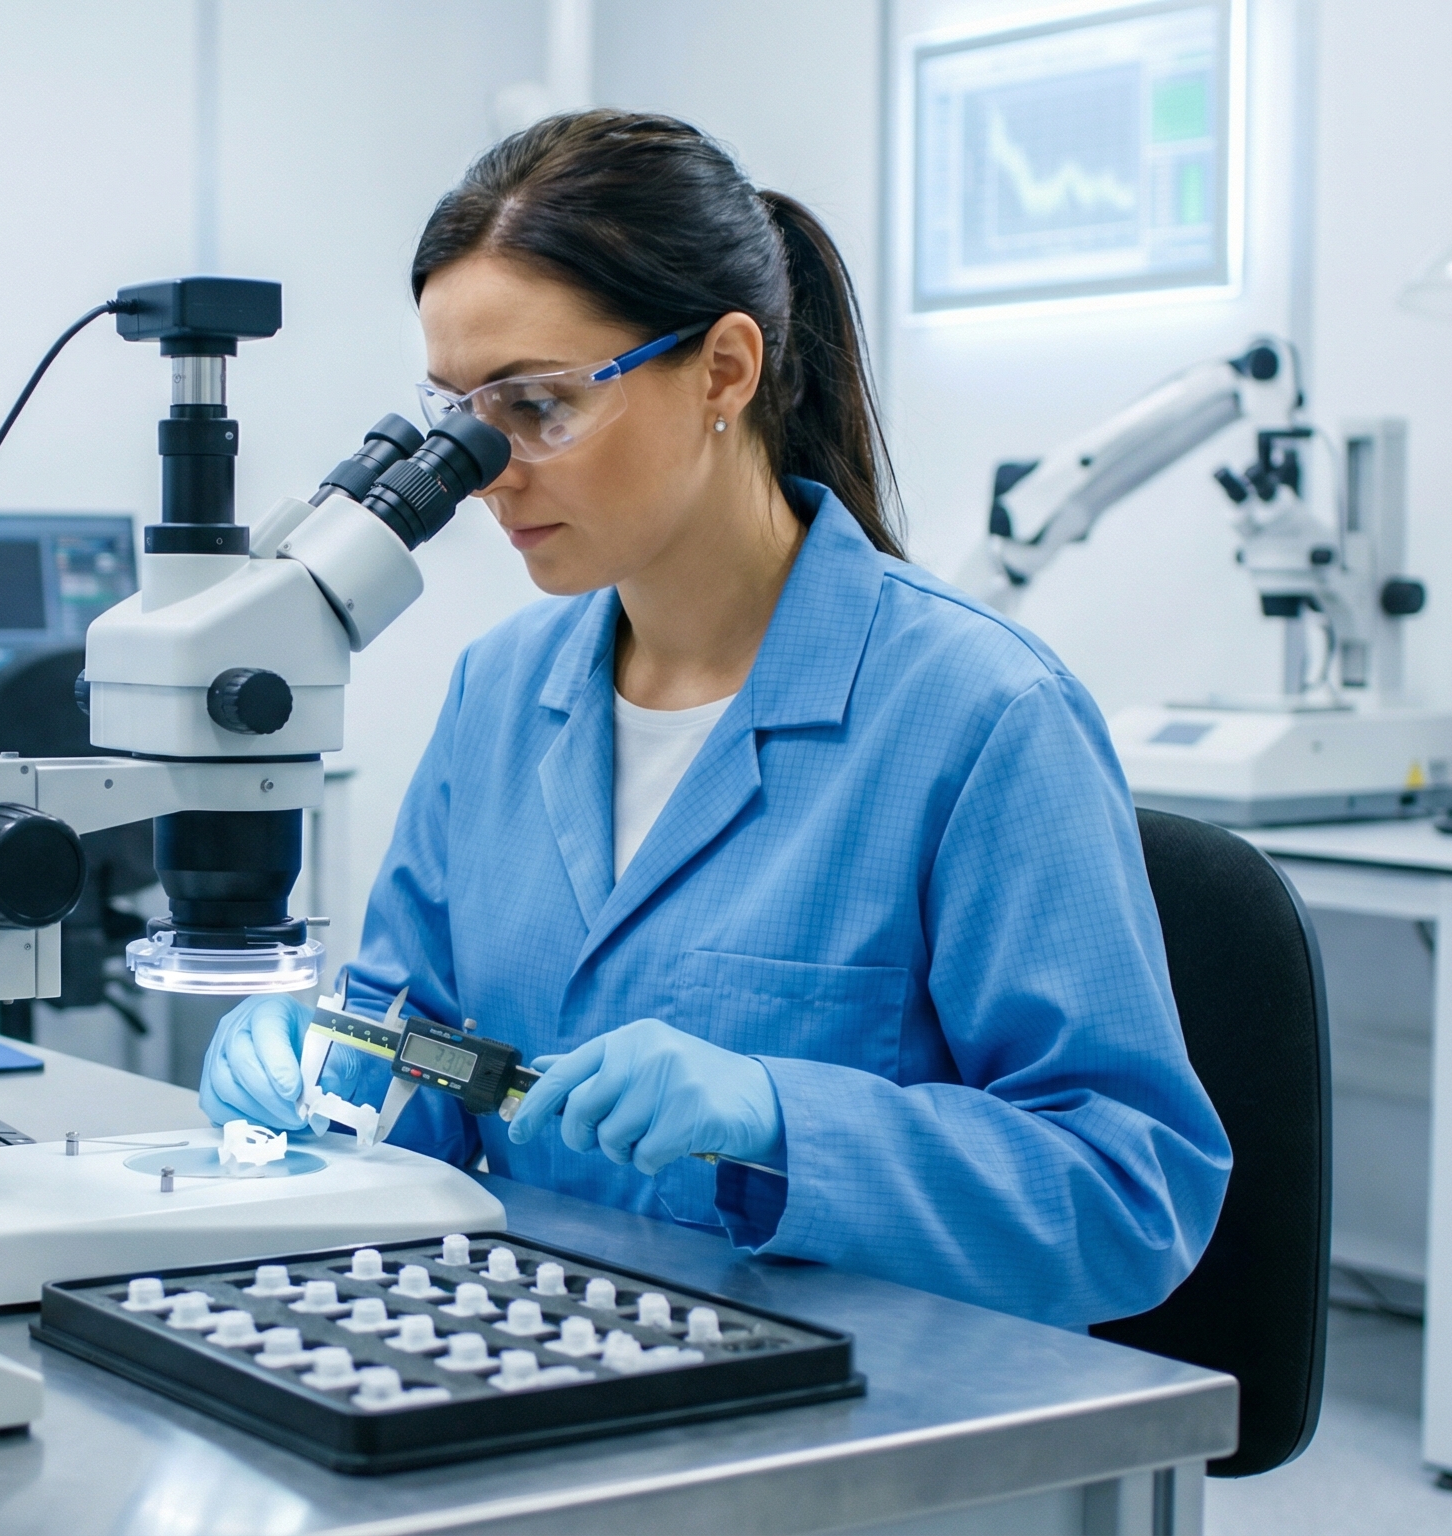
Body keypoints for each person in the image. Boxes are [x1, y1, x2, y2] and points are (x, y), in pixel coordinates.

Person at [198, 110, 1228, 1331]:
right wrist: (326, 1064)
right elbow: (419, 1058)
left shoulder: (980, 715)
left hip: (846, 1414)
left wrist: (781, 1119)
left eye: (537, 406)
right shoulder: (498, 694)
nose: (489, 472)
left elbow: (1125, 1195)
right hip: (530, 1354)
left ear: (724, 372)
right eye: (460, 418)